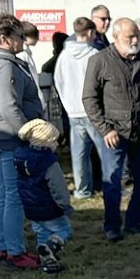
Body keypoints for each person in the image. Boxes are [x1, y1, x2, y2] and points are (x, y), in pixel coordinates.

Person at [0, 14, 45, 269]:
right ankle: (15, 251)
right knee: (13, 195)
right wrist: (28, 132)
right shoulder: (5, 66)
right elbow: (9, 106)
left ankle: (5, 247)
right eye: (18, 36)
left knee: (4, 194)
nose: (22, 41)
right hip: (9, 137)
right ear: (5, 39)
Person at [83, 17, 140, 241]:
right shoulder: (100, 61)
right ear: (116, 37)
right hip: (114, 133)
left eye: (137, 35)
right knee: (112, 181)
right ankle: (112, 225)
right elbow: (89, 98)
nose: (135, 40)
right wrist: (105, 129)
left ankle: (135, 222)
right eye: (130, 36)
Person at [53, 16, 103, 198]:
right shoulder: (94, 54)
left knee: (79, 153)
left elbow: (58, 81)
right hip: (93, 110)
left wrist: (67, 102)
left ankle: (82, 189)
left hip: (72, 110)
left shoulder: (64, 56)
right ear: (90, 33)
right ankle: (111, 184)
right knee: (104, 151)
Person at [15, 119, 72, 275]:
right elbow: (58, 187)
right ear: (45, 141)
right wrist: (65, 205)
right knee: (64, 230)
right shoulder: (49, 163)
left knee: (42, 232)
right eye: (54, 140)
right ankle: (51, 247)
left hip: (31, 208)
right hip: (50, 208)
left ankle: (47, 261)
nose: (56, 144)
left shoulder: (21, 159)